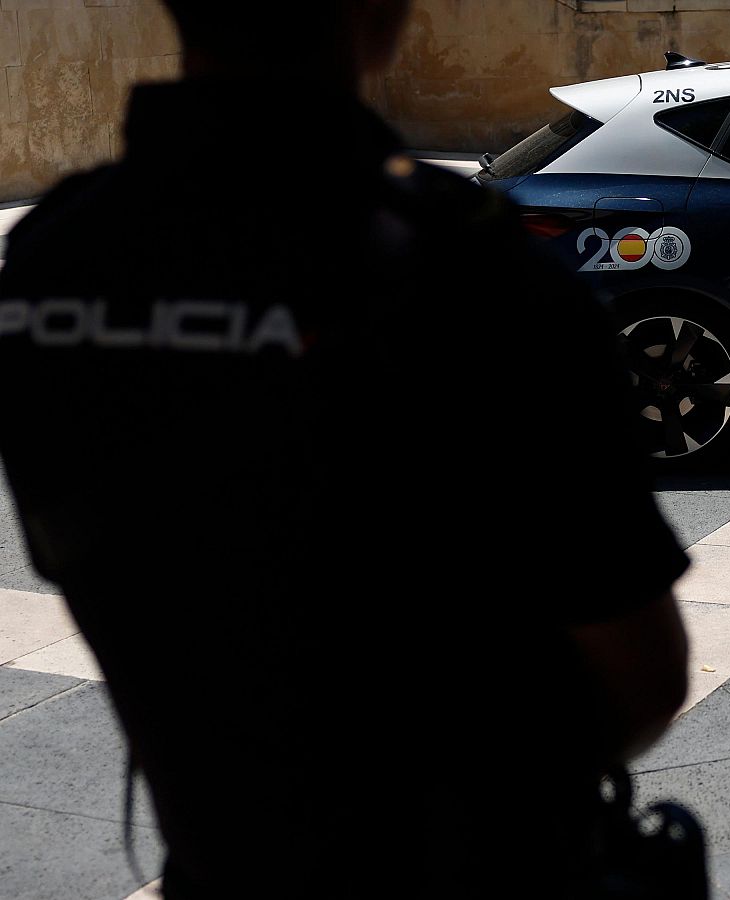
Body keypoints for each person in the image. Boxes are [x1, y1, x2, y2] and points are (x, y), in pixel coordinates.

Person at [0, 2, 692, 897]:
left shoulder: (55, 259)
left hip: (220, 862)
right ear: (382, 15)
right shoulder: (472, 272)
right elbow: (643, 676)